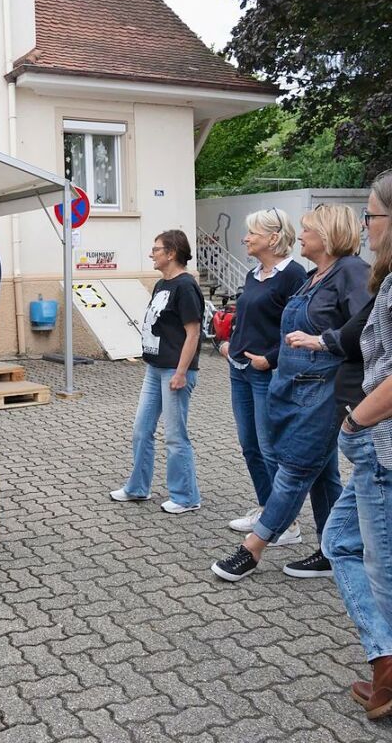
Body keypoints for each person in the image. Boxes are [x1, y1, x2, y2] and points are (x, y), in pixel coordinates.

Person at [213, 204, 370, 582]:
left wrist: (323, 340)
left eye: (307, 229)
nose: (299, 236)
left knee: (295, 471)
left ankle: (252, 549)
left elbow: (367, 328)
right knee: (322, 474)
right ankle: (335, 550)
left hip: (321, 394)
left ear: (329, 234)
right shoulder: (316, 275)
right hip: (297, 390)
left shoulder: (351, 271)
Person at [320, 170, 392, 720]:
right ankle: (383, 659)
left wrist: (354, 423)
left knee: (377, 562)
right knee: (341, 540)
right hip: (375, 445)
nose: (366, 223)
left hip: (379, 446)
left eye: (372, 214)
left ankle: (388, 670)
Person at [219, 209, 306, 542]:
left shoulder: (293, 275)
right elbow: (248, 318)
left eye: (251, 233)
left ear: (272, 237)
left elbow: (299, 326)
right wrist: (229, 344)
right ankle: (267, 509)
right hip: (239, 369)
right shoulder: (254, 274)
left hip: (264, 373)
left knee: (271, 448)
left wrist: (269, 360)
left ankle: (288, 524)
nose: (245, 238)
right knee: (249, 446)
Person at [110, 230, 204, 513]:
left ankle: (186, 496)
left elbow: (193, 332)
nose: (152, 253)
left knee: (175, 436)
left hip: (175, 371)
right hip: (155, 369)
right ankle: (138, 488)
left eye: (156, 249)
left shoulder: (186, 286)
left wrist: (181, 372)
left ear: (172, 253)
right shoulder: (162, 284)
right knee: (141, 430)